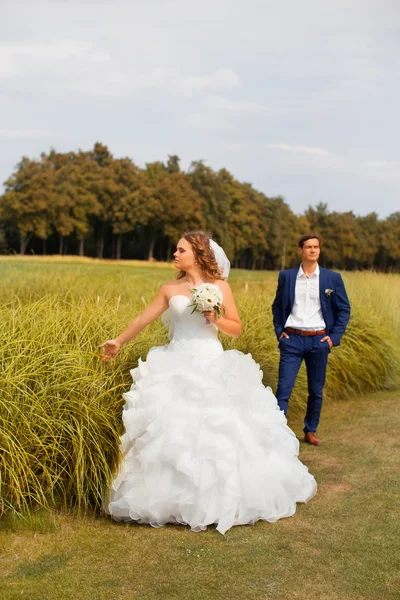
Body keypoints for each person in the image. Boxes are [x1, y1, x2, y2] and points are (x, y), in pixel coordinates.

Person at [101, 230, 316, 535]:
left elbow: (236, 329)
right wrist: (118, 342)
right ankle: (170, 500)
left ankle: (221, 499)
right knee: (171, 430)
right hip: (174, 362)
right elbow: (143, 319)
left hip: (212, 363)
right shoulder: (168, 289)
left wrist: (214, 317)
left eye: (181, 250)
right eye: (175, 250)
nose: (175, 254)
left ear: (198, 254)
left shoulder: (220, 287)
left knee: (219, 431)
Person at [272, 234, 351, 446]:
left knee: (316, 390)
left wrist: (333, 338)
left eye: (316, 247)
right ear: (300, 250)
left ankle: (310, 430)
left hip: (319, 341)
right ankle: (278, 433)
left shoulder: (332, 279)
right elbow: (277, 306)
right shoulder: (287, 277)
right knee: (284, 389)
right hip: (292, 340)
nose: (313, 250)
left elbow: (344, 309)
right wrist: (280, 331)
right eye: (308, 247)